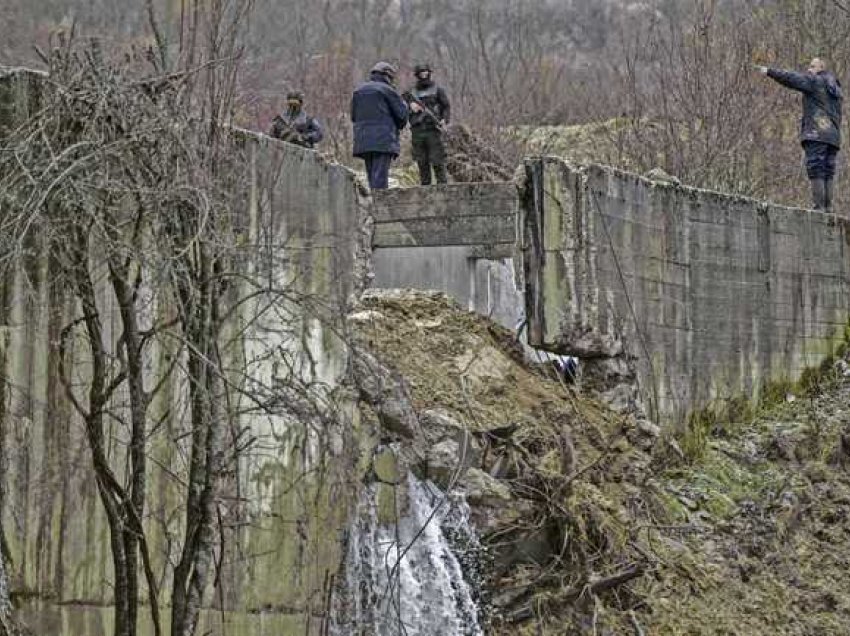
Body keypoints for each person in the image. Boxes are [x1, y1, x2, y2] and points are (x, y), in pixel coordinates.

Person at [757, 58, 843, 212]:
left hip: (816, 133)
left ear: (821, 68)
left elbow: (791, 78)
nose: (809, 69)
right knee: (828, 171)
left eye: (812, 66)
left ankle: (819, 208)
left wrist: (769, 71)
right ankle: (828, 209)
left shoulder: (815, 81)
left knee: (816, 168)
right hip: (833, 137)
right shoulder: (835, 89)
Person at [351, 61, 409, 190]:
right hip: (383, 140)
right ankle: (380, 207)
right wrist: (405, 105)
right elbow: (402, 117)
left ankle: (373, 206)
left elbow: (353, 117)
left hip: (363, 140)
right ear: (388, 76)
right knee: (380, 179)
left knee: (372, 177)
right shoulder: (387, 90)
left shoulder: (358, 91)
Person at [404, 62, 451, 185]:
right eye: (421, 73)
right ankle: (425, 192)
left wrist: (444, 120)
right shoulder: (410, 93)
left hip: (434, 130)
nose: (424, 75)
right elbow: (400, 108)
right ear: (417, 75)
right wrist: (410, 106)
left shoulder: (438, 90)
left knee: (438, 162)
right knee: (422, 163)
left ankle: (443, 190)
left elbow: (446, 107)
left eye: (426, 72)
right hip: (417, 131)